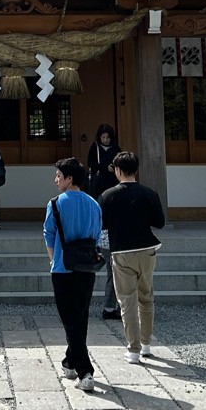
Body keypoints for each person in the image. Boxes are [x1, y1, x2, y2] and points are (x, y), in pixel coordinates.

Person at [98, 151, 166, 364]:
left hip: (122, 252)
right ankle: (146, 344)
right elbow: (160, 222)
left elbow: (102, 225)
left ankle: (133, 349)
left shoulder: (108, 195)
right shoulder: (149, 193)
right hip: (147, 249)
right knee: (146, 297)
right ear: (136, 169)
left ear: (117, 170)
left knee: (127, 301)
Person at [44, 157, 102, 391]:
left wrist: (53, 258)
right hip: (87, 267)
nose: (56, 179)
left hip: (63, 268)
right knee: (79, 316)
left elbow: (49, 234)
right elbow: (97, 235)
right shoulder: (93, 204)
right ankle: (69, 361)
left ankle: (85, 371)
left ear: (69, 179)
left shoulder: (56, 203)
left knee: (70, 320)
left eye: (59, 175)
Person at [84, 124, 123, 320]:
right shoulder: (95, 148)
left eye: (108, 137)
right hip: (100, 184)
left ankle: (114, 306)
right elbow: (90, 164)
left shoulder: (117, 150)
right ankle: (115, 306)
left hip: (112, 184)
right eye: (104, 137)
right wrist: (103, 167)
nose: (106, 140)